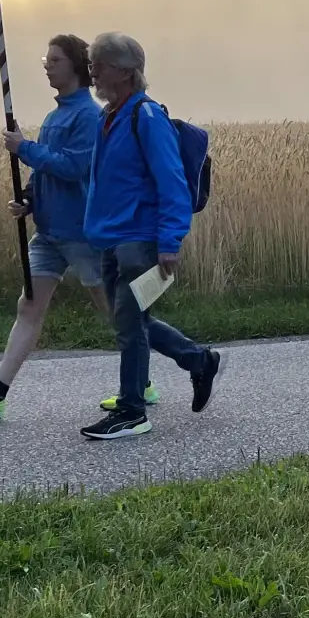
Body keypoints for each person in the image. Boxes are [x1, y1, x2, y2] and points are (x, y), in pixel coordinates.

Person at [0, 35, 140, 419]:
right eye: (45, 59)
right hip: (48, 234)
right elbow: (45, 172)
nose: (47, 65)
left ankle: (143, 378)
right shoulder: (55, 116)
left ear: (76, 66)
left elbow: (74, 167)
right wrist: (29, 199)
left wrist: (24, 148)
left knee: (112, 309)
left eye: (55, 59)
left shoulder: (88, 116)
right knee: (29, 307)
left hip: (82, 234)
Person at [77, 32, 224, 440]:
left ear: (126, 72)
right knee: (131, 319)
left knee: (129, 324)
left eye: (99, 66)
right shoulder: (110, 118)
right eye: (91, 65)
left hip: (138, 240)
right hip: (111, 238)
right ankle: (199, 360)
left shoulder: (146, 117)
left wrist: (170, 241)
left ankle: (132, 411)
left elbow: (172, 182)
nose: (93, 74)